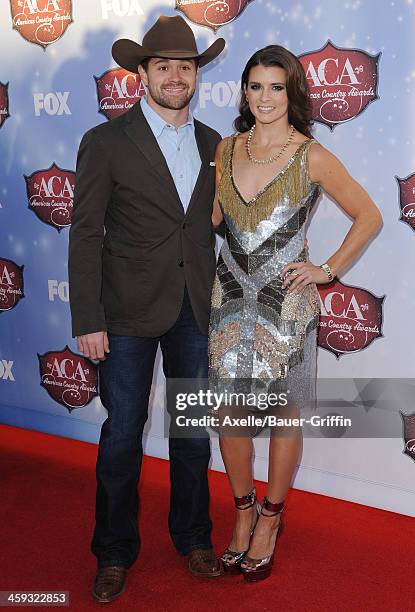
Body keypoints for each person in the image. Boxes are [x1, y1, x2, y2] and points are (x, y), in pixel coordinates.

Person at [209, 45, 382, 582]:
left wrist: (326, 269)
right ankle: (241, 512)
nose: (264, 97)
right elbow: (217, 219)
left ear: (293, 93)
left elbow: (369, 215)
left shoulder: (312, 156)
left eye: (276, 87)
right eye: (255, 86)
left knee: (286, 417)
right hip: (228, 300)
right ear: (244, 91)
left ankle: (270, 520)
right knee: (228, 415)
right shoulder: (224, 149)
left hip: (288, 309)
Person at [68, 16, 225, 603]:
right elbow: (85, 234)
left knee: (191, 433)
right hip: (126, 312)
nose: (176, 76)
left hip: (195, 310)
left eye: (186, 66)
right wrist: (87, 318)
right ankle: (113, 551)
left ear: (196, 75)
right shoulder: (105, 141)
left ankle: (193, 537)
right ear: (142, 75)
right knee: (122, 434)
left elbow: (217, 230)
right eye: (163, 66)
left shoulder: (216, 145)